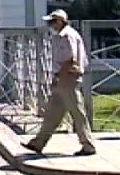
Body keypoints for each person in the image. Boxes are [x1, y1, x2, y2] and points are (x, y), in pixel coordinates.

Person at [23, 9, 97, 157]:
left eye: (52, 21)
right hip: (62, 78)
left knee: (77, 112)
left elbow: (70, 60)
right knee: (52, 112)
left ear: (60, 21)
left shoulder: (67, 36)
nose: (50, 25)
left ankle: (88, 144)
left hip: (68, 78)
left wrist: (59, 78)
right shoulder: (61, 36)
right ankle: (38, 142)